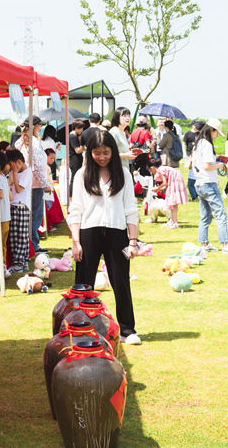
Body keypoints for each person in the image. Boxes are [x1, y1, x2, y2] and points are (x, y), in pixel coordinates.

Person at [68, 129, 142, 345]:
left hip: (116, 232)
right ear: (89, 152)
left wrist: (133, 241)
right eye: (97, 153)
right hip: (88, 232)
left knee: (121, 282)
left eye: (106, 152)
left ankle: (127, 329)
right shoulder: (81, 174)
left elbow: (130, 209)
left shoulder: (124, 175)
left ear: (113, 151)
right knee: (84, 285)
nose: (101, 157)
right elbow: (76, 209)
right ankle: (80, 327)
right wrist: (75, 241)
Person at [192, 118, 228, 255]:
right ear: (211, 130)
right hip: (208, 184)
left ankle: (204, 243)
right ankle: (225, 244)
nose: (216, 136)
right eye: (216, 133)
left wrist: (216, 160)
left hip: (200, 184)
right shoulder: (207, 144)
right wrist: (219, 165)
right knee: (220, 214)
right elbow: (208, 166)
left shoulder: (198, 143)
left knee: (205, 216)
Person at [16, 119, 52, 254]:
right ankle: (34, 245)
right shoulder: (34, 143)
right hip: (35, 183)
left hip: (22, 181)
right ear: (36, 127)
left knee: (27, 215)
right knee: (36, 216)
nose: (41, 127)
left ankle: (29, 243)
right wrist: (45, 184)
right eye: (40, 125)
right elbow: (37, 165)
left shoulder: (19, 142)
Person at [6, 149, 32, 273]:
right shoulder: (15, 172)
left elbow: (19, 189)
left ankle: (20, 262)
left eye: (12, 165)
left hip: (22, 207)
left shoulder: (27, 172)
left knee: (21, 236)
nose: (11, 168)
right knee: (13, 236)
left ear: (18, 162)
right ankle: (21, 261)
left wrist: (15, 174)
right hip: (13, 206)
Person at [147, 158, 188, 229]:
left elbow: (165, 183)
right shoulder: (162, 168)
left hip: (175, 181)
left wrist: (157, 188)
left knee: (173, 203)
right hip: (174, 181)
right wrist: (159, 189)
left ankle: (175, 222)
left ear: (152, 167)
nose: (151, 172)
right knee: (172, 203)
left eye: (150, 170)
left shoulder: (160, 170)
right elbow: (166, 184)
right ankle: (172, 221)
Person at [184, 120, 203, 201]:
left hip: (197, 156)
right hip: (190, 155)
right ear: (192, 125)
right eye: (195, 124)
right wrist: (185, 154)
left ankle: (195, 195)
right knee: (191, 172)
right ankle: (195, 195)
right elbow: (184, 143)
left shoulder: (200, 134)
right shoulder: (188, 133)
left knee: (195, 176)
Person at [68, 120, 86, 197]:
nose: (82, 130)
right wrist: (84, 147)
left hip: (73, 159)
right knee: (74, 178)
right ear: (76, 128)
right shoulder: (73, 136)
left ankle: (73, 196)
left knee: (75, 178)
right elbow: (78, 150)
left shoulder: (72, 135)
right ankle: (71, 196)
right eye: (80, 128)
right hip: (75, 159)